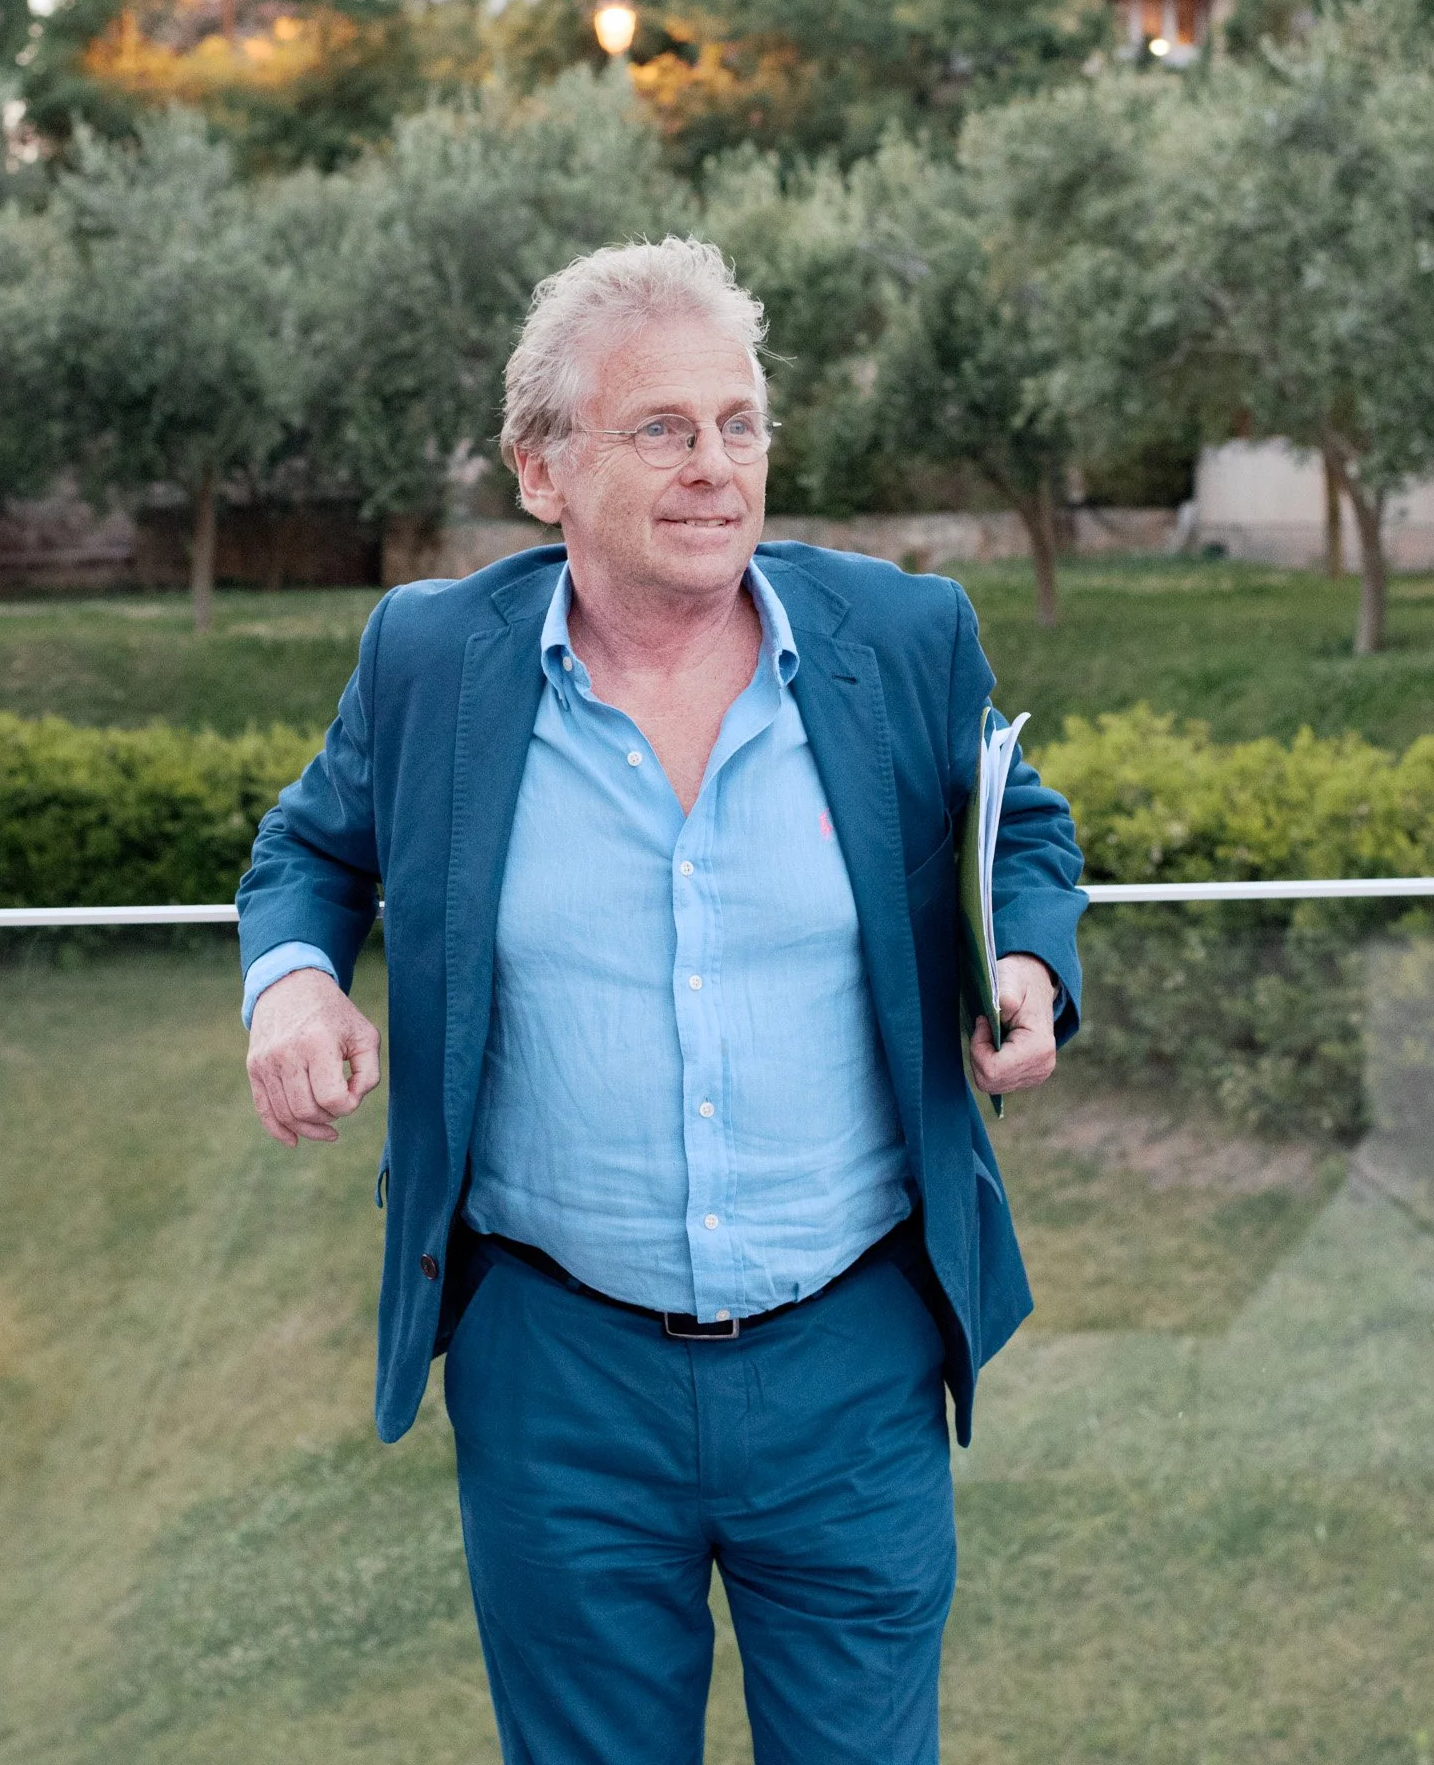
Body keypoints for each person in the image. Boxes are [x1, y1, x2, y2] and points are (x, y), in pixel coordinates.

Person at [236, 237, 1084, 1765]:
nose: (716, 468)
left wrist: (1025, 962)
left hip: (853, 1358)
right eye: (661, 430)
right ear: (542, 472)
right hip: (558, 1378)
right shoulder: (435, 661)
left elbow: (1020, 825)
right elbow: (307, 846)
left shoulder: (898, 640)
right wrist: (293, 985)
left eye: (740, 424)